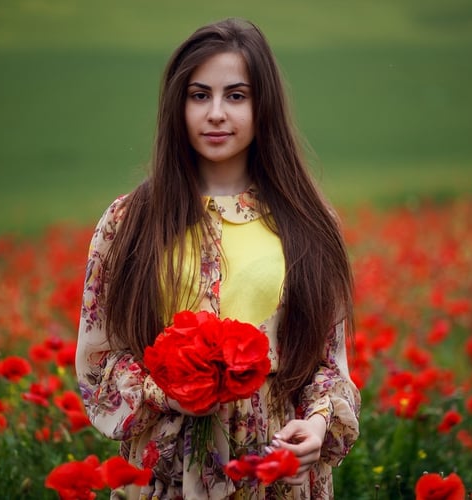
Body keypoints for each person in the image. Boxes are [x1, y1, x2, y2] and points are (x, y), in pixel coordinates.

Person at [76, 18, 360, 499]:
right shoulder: (130, 222)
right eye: (199, 95)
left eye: (236, 95)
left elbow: (326, 362)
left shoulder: (308, 221)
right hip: (169, 468)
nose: (215, 114)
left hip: (276, 467)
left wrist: (316, 424)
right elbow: (100, 359)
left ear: (262, 105)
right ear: (177, 106)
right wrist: (173, 391)